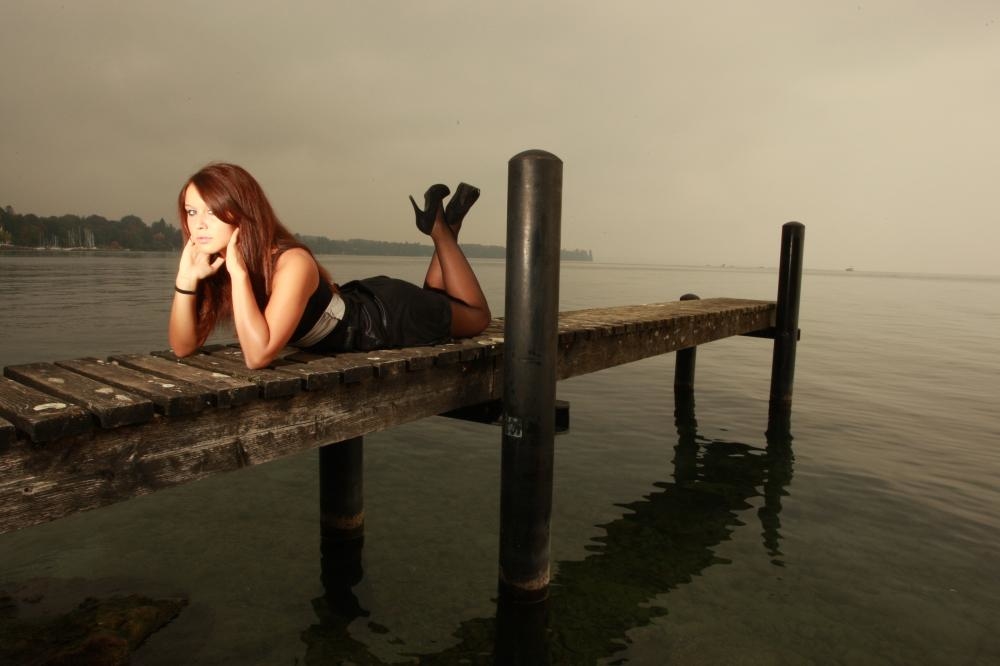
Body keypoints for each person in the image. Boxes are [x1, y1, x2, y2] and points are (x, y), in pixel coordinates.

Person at [168, 163, 491, 369]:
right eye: (192, 212)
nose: (199, 224)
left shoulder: (292, 263)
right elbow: (183, 347)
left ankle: (441, 231)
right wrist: (186, 280)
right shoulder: (217, 264)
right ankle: (445, 225)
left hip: (384, 317)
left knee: (477, 318)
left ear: (242, 212)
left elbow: (258, 355)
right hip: (365, 304)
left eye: (212, 212)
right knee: (438, 301)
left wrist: (238, 275)